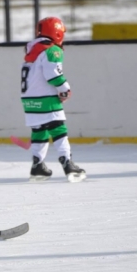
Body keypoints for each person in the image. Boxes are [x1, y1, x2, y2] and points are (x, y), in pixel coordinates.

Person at [20, 16, 86, 183]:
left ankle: (38, 166)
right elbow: (53, 74)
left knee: (40, 130)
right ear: (57, 32)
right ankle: (67, 163)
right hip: (46, 98)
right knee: (58, 129)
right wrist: (65, 89)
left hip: (29, 100)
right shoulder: (52, 50)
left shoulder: (32, 50)